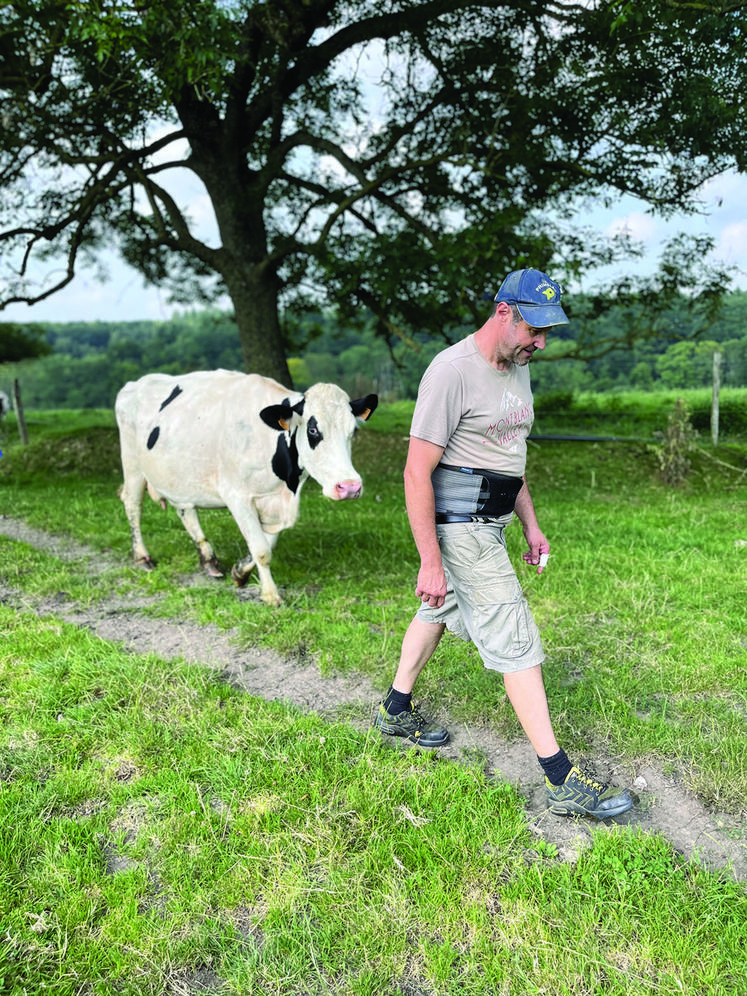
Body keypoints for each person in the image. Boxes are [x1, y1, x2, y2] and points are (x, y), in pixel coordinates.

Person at [374, 268, 633, 820]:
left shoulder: (517, 368)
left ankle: (395, 709)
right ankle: (562, 779)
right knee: (514, 636)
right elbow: (416, 472)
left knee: (437, 611)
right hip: (461, 525)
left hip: (495, 519)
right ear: (502, 311)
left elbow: (508, 455)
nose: (540, 342)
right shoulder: (451, 372)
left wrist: (531, 523)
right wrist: (431, 558)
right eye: (533, 329)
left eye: (547, 332)